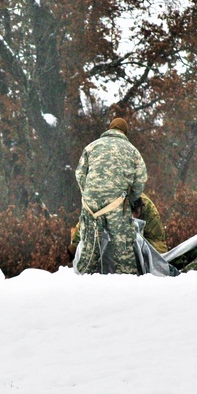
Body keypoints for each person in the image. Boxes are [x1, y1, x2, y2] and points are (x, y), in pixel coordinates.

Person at [73, 117, 148, 275]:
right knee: (123, 249)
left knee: (89, 247)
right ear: (125, 132)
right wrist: (131, 198)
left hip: (90, 205)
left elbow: (79, 174)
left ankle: (81, 282)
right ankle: (128, 284)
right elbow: (141, 179)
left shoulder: (91, 147)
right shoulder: (132, 150)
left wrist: (88, 194)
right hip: (117, 204)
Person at [69, 192, 167, 257]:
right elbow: (85, 225)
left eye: (138, 214)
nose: (135, 219)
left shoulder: (148, 210)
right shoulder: (104, 205)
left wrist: (154, 259)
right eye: (132, 216)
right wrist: (73, 249)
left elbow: (157, 240)